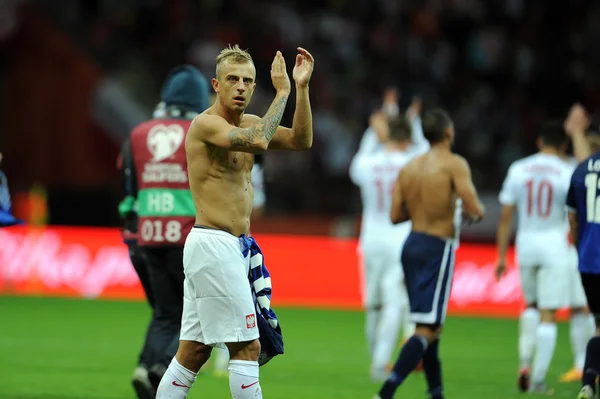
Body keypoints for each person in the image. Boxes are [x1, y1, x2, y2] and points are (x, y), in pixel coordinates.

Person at [155, 45, 314, 399]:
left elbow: (302, 140)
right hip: (214, 244)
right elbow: (258, 142)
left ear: (255, 87)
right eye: (232, 79)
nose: (240, 86)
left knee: (193, 353)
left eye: (247, 81)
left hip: (229, 249)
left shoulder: (256, 121)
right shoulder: (205, 124)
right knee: (247, 349)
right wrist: (283, 91)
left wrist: (300, 89)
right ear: (216, 84)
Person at [374, 108, 485, 399]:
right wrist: (474, 212)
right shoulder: (454, 164)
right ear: (448, 133)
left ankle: (436, 392)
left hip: (411, 245)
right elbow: (474, 207)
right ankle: (386, 391)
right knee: (427, 327)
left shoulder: (409, 167)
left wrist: (421, 209)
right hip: (438, 246)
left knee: (431, 327)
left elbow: (396, 215)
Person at [126, 65, 210, 399]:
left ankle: (145, 366)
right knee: (194, 316)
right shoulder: (200, 130)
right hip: (189, 235)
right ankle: (162, 370)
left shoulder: (138, 133)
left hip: (149, 233)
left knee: (164, 313)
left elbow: (130, 186)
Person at [349, 92, 427, 381]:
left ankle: (375, 360)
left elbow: (360, 154)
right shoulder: (412, 161)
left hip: (371, 240)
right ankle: (383, 361)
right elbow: (422, 147)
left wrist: (376, 124)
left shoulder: (367, 163)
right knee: (396, 302)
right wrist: (413, 119)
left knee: (373, 304)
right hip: (400, 238)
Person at [495, 122, 577, 394]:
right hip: (554, 244)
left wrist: (500, 256)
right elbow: (573, 216)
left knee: (529, 306)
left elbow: (506, 215)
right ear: (563, 146)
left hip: (526, 243)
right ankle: (538, 380)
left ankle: (524, 363)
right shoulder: (567, 171)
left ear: (540, 141)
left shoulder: (518, 168)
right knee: (548, 315)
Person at [212, 153, 268, 377]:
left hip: (214, 238)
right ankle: (221, 358)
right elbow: (260, 207)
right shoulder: (253, 172)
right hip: (237, 241)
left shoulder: (216, 164)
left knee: (215, 300)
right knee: (236, 302)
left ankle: (215, 357)